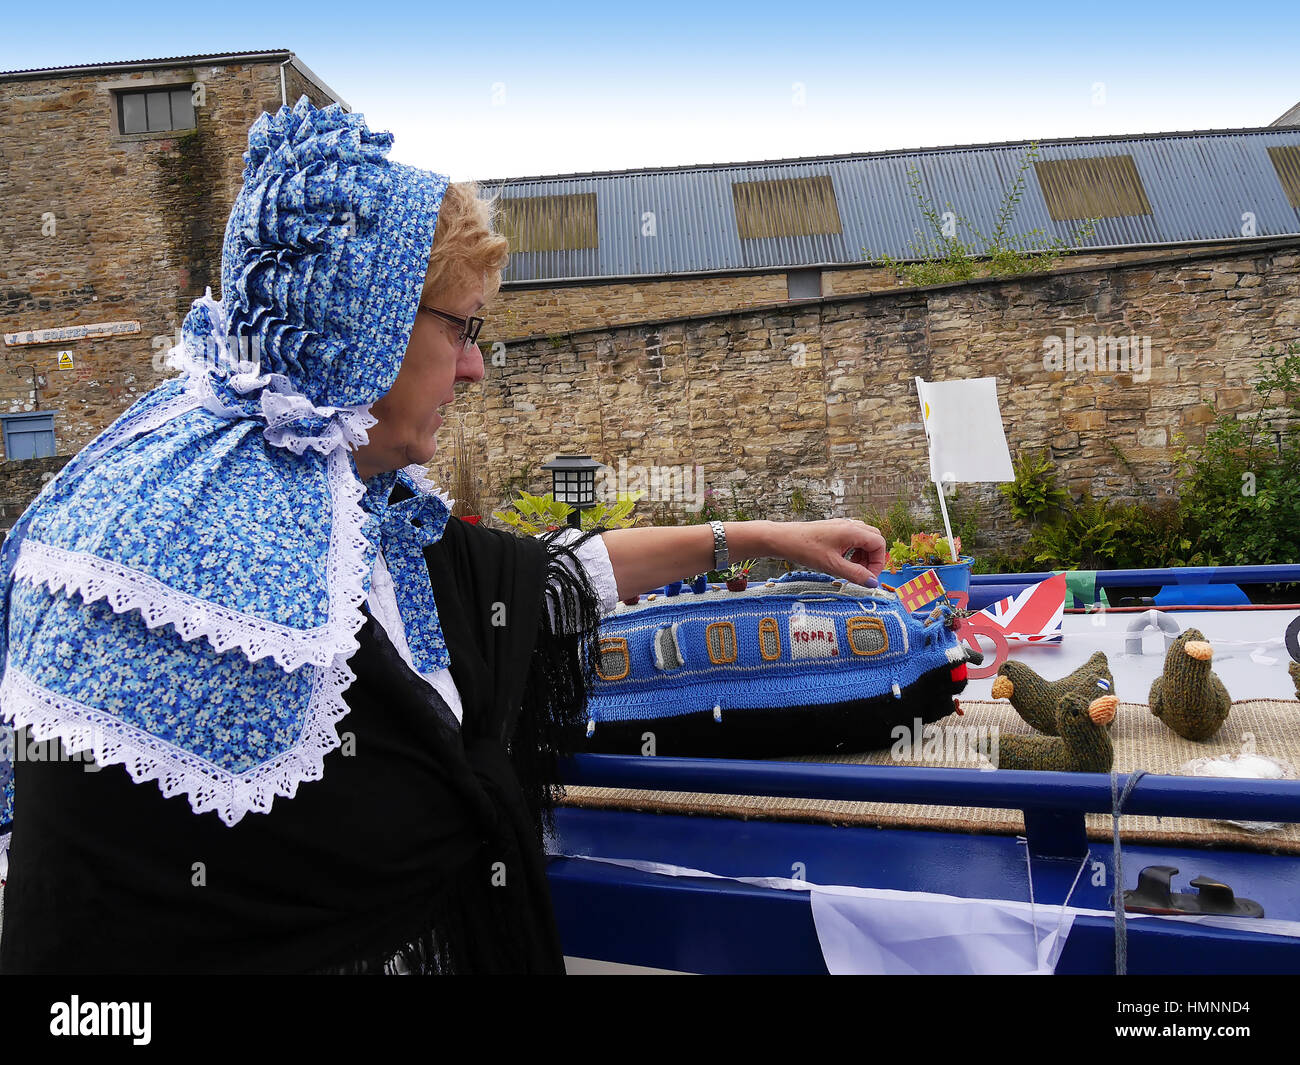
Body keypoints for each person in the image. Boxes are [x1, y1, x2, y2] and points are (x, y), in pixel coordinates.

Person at [0, 97, 885, 974]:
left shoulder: (365, 503)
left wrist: (768, 538)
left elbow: (537, 579)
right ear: (363, 326)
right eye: (461, 327)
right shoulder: (177, 541)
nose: (474, 364)